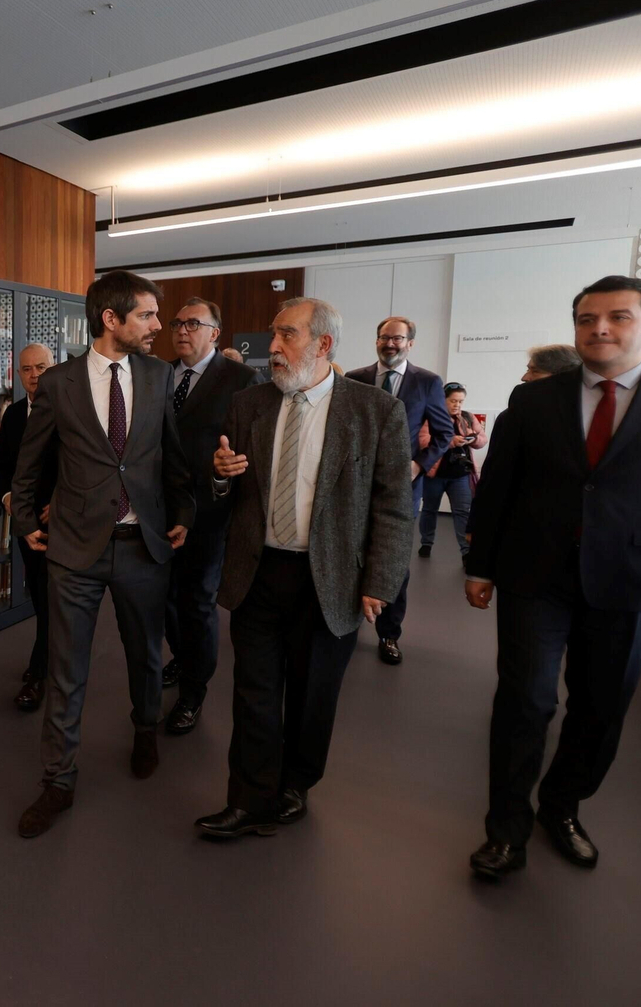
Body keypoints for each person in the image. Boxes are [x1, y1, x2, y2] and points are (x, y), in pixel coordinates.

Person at [464, 276, 641, 880]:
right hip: (537, 577)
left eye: (617, 317)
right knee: (524, 703)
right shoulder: (534, 400)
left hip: (632, 582)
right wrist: (480, 565)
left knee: (601, 708)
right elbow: (500, 488)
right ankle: (505, 830)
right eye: (586, 320)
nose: (600, 330)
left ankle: (561, 806)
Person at [196, 298, 412, 839]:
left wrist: (380, 582)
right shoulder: (249, 406)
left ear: (323, 344)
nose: (272, 347)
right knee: (254, 690)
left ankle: (295, 785)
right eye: (274, 335)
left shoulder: (375, 411)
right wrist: (220, 475)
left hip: (331, 578)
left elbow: (392, 506)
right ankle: (248, 797)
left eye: (286, 335)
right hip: (259, 571)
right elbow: (225, 490)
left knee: (314, 693)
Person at [10, 270, 194, 838]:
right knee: (67, 668)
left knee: (145, 655)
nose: (159, 326)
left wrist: (183, 513)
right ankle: (58, 781)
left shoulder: (161, 376)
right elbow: (31, 464)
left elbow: (173, 457)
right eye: (147, 315)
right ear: (110, 319)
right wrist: (23, 521)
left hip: (143, 547)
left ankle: (144, 729)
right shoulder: (60, 383)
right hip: (74, 552)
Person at [161, 298, 259, 735]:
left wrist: (225, 473)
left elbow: (250, 453)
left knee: (197, 600)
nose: (182, 330)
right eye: (177, 323)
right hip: (158, 509)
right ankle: (182, 657)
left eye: (193, 324)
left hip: (210, 509)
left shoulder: (241, 380)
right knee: (162, 596)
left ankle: (193, 692)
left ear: (215, 333)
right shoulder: (159, 375)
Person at [344, 317, 453, 664]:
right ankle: (346, 621)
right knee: (350, 551)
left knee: (393, 562)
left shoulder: (427, 382)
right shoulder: (354, 379)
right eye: (384, 338)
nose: (390, 344)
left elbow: (443, 433)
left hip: (404, 487)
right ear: (376, 341)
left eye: (397, 338)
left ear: (410, 343)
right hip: (356, 485)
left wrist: (419, 465)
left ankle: (389, 633)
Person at [0, 343, 57, 711]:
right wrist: (9, 502)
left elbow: (83, 464)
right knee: (39, 593)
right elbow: (4, 466)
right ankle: (49, 659)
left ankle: (38, 676)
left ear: (54, 368)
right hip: (24, 519)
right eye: (27, 369)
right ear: (19, 375)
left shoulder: (71, 409)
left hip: (60, 519)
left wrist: (63, 502)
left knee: (52, 599)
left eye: (42, 367)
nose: (35, 375)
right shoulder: (15, 414)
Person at [417, 382, 485, 559]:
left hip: (460, 474)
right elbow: (423, 441)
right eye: (453, 401)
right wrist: (450, 442)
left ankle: (466, 552)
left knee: (463, 512)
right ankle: (426, 543)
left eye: (461, 402)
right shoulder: (430, 417)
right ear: (442, 399)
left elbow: (482, 439)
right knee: (430, 510)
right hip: (434, 474)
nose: (457, 405)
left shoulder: (467, 417)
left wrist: (472, 438)